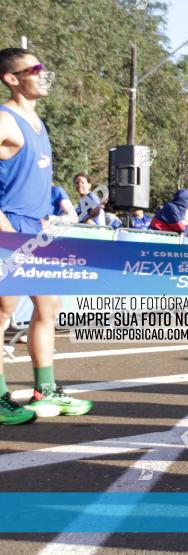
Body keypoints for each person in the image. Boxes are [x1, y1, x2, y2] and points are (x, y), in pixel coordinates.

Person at [0, 47, 93, 425]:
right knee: (3, 312)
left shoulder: (37, 122)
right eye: (34, 68)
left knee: (48, 306)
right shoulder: (5, 120)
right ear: (11, 78)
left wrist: (53, 211)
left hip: (37, 230)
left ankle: (45, 389)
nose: (43, 73)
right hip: (9, 228)